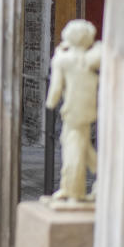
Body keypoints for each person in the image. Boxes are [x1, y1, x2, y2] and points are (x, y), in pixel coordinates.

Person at [45, 19, 101, 201]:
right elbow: (101, 52)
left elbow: (55, 91)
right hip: (87, 111)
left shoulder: (62, 61)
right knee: (83, 147)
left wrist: (51, 104)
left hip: (73, 112)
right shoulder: (90, 58)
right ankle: (101, 178)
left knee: (73, 148)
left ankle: (74, 191)